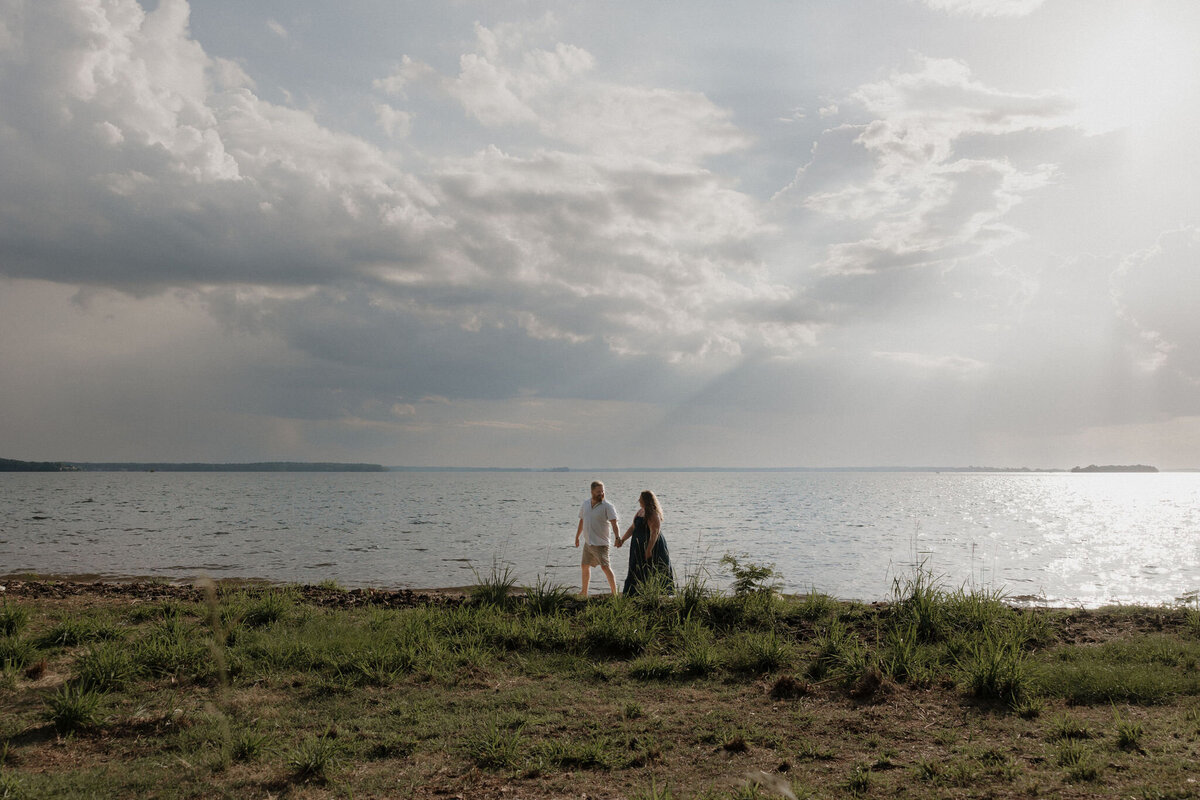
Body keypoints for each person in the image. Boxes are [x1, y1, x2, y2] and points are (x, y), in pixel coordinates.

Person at [618, 489, 675, 596]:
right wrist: (622, 540)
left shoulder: (653, 514)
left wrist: (649, 549)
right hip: (638, 545)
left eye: (641, 498)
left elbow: (655, 532)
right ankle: (633, 593)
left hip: (653, 545)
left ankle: (659, 593)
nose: (639, 500)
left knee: (654, 568)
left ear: (646, 500)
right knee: (636, 567)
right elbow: (633, 527)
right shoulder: (640, 511)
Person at [574, 480, 621, 597]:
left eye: (602, 491)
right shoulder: (585, 504)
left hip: (601, 544)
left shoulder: (607, 506)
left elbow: (614, 523)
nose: (601, 493)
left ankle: (614, 594)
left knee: (605, 567)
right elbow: (582, 520)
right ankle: (584, 592)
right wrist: (577, 537)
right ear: (592, 492)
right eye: (598, 491)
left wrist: (617, 537)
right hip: (588, 543)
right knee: (584, 566)